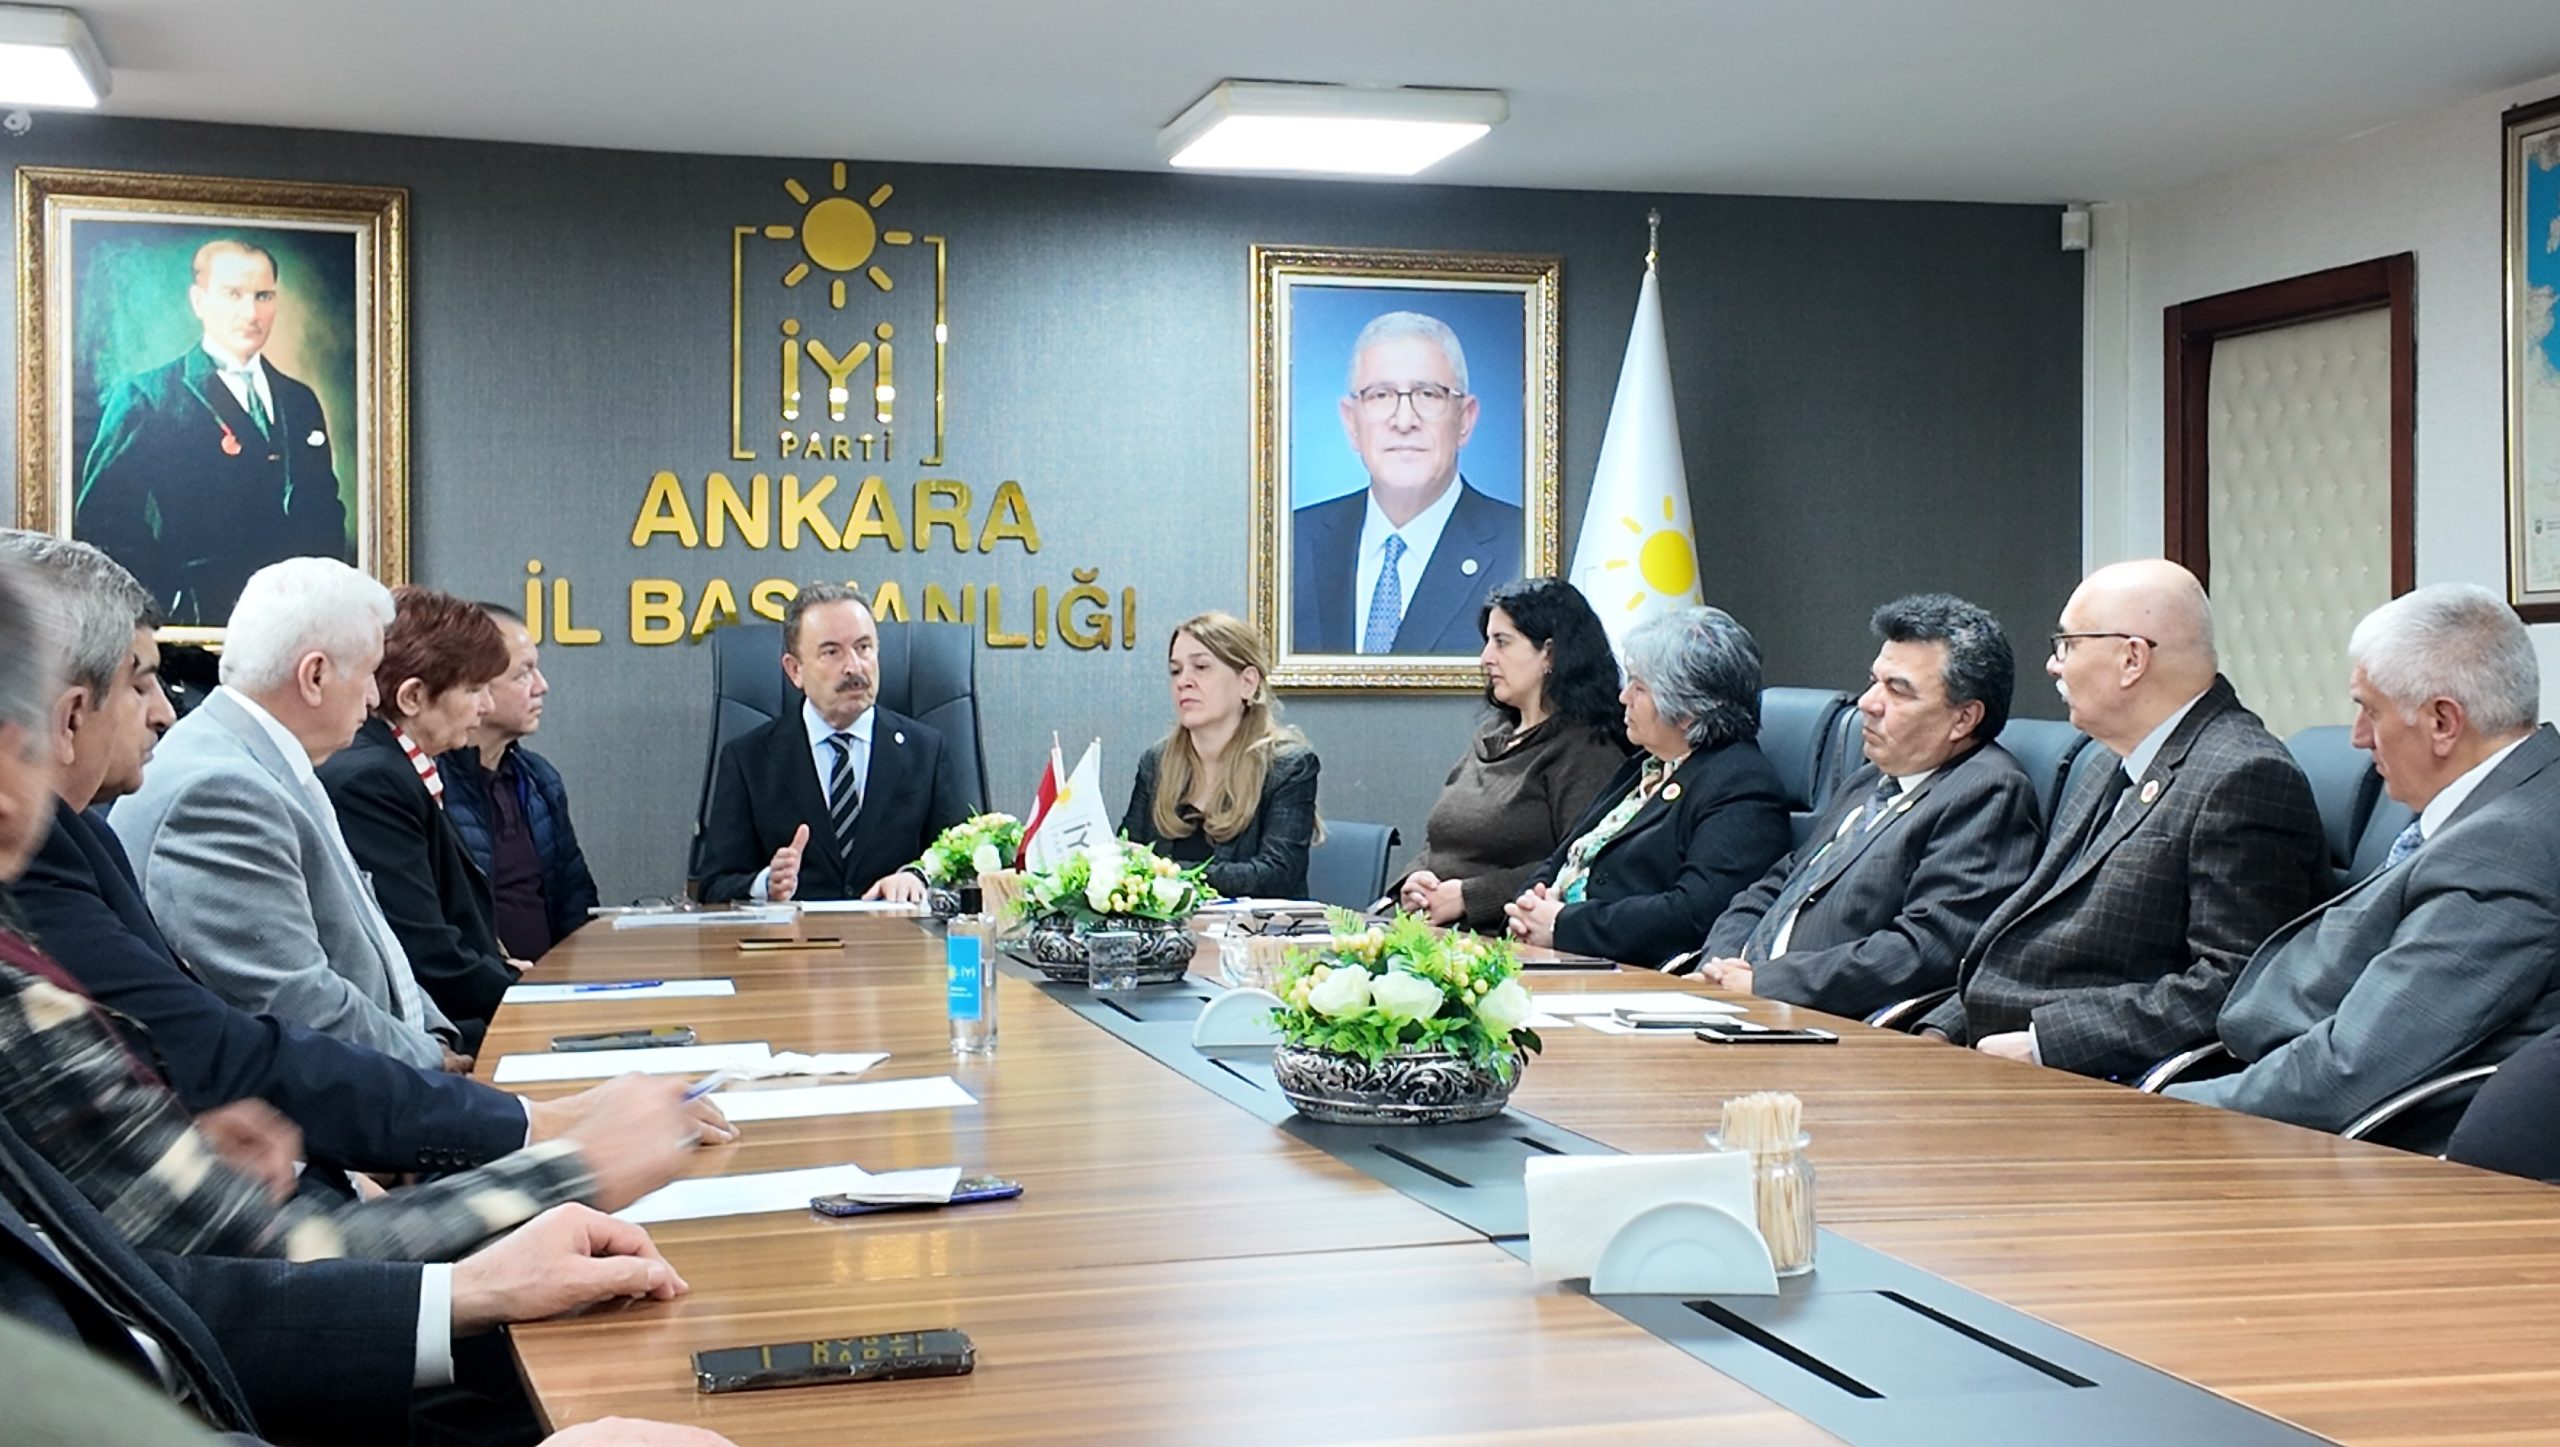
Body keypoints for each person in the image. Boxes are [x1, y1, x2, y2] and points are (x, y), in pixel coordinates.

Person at [0, 547, 698, 1444]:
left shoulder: (94, 839)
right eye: (142, 682)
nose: (166, 709)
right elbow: (237, 1084)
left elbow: (146, 1280)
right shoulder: (67, 903)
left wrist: (475, 1262)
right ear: (52, 731)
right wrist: (556, 1154)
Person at [0, 530, 732, 1187]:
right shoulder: (220, 785)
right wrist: (522, 1120)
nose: (164, 709)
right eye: (140, 681)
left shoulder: (212, 783)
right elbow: (258, 1023)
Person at [2167, 585, 2560, 1150]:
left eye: (2368, 710)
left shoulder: (2506, 848)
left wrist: (2155, 1111)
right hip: (2278, 1087)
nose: (2357, 738)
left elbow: (2347, 1073)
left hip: (2367, 1154)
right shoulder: (2508, 801)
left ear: (2443, 721)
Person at [1916, 559, 2328, 1079]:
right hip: (1990, 1056)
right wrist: (1942, 1028)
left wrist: (2046, 1045)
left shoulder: (2245, 776)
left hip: (2089, 1085)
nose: (2053, 664)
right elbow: (2032, 937)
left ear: (2131, 659)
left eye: (2067, 644)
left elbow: (2238, 983)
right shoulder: (2108, 761)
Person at [111, 557, 460, 1067]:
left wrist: (434, 1037)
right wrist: (432, 1061)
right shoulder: (221, 790)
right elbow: (294, 1002)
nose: (372, 696)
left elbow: (367, 944)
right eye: (367, 674)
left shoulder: (264, 759)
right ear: (315, 675)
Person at [1690, 594, 2043, 1017]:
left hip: (1823, 1026)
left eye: (1898, 691)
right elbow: (1780, 882)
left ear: (1963, 719)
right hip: (1743, 1001)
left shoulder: (1987, 790)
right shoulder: (1872, 779)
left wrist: (1766, 983)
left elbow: (1926, 947)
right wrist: (1720, 963)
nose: (1868, 703)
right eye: (1875, 680)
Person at [75, 239, 352, 628]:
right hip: (196, 622)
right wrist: (167, 599)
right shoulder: (147, 396)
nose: (251, 312)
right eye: (232, 294)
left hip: (293, 624)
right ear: (199, 301)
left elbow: (324, 510)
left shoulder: (299, 399)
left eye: (263, 296)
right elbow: (104, 521)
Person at [1504, 606, 1790, 967]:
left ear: (1687, 708)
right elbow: (1568, 854)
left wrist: (1564, 924)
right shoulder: (1647, 765)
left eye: (1640, 687)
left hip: (1627, 975)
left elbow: (1694, 914)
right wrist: (1529, 904)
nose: (1624, 697)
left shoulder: (1741, 786)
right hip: (1558, 955)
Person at [319, 587, 519, 1048]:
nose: (486, 707)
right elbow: (426, 954)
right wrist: (532, 997)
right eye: (474, 690)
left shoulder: (397, 764)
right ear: (412, 697)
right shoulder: (372, 780)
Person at [695, 582, 973, 904]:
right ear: (795, 670)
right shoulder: (749, 759)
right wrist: (766, 883)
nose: (854, 666)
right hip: (791, 946)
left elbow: (962, 863)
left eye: (864, 647)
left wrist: (917, 875)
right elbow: (713, 886)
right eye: (831, 652)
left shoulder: (925, 749)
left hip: (896, 942)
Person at [1393, 577, 1629, 931]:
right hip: (1433, 932)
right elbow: (1442, 838)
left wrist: (1470, 898)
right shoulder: (1493, 736)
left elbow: (1580, 866)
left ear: (1549, 653)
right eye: (1487, 642)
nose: (1486, 658)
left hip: (1507, 941)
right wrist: (1415, 882)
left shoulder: (1587, 751)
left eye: (1502, 643)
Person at [1291, 311, 1524, 655]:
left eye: (1428, 394)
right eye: (1380, 395)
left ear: (1466, 419)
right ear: (1351, 423)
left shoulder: (1521, 543)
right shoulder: (1292, 542)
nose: (1403, 421)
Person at [1122, 612, 1322, 897]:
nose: (1184, 682)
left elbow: (1276, 875)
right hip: (1170, 938)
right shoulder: (1157, 763)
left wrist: (1167, 873)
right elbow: (1127, 856)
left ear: (1247, 683)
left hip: (1258, 938)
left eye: (1201, 667)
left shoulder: (1288, 766)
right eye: (1176, 671)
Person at [441, 603, 600, 961]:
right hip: (474, 1000)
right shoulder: (426, 785)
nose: (542, 686)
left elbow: (576, 904)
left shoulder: (540, 780)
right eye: (523, 674)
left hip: (551, 992)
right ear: (474, 683)